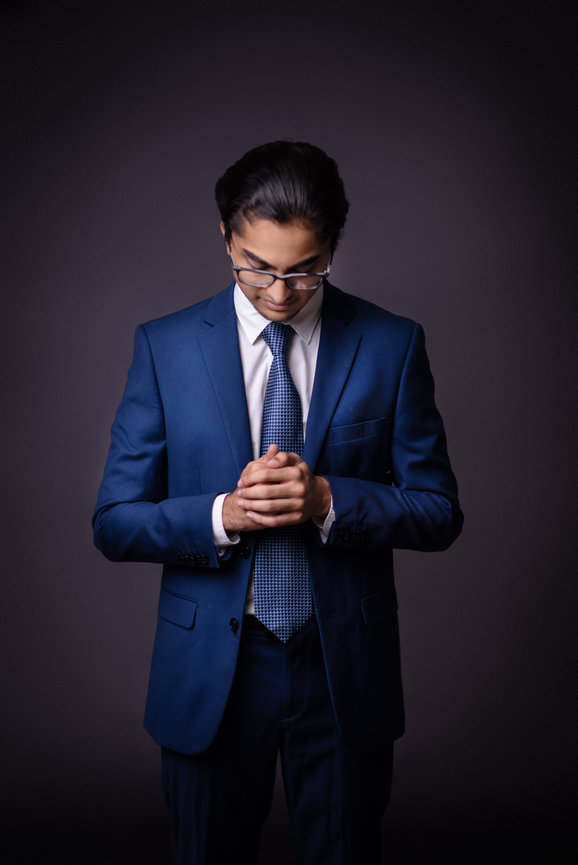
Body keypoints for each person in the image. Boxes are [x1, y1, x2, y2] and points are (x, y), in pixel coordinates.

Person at [93, 140, 463, 865]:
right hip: (210, 676)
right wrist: (219, 515)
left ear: (332, 246)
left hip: (342, 672)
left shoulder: (391, 345)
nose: (281, 290)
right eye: (257, 266)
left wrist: (330, 499)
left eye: (306, 269)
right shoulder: (164, 348)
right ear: (226, 235)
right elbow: (113, 521)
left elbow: (440, 509)